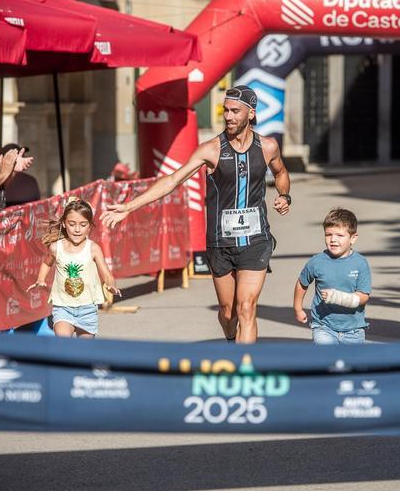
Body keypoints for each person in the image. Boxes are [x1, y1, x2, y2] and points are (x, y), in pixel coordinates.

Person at [101, 85, 291, 344]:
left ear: (251, 113)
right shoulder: (211, 150)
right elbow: (172, 180)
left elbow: (280, 173)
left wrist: (284, 195)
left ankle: (243, 371)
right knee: (228, 313)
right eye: (226, 110)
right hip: (220, 243)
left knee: (246, 308)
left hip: (256, 240)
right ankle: (230, 338)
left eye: (236, 111)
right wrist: (129, 206)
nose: (229, 116)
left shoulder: (267, 146)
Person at [27, 197, 119, 338]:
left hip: (88, 308)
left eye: (83, 225)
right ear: (64, 224)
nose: (77, 229)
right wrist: (41, 279)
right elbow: (47, 262)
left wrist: (111, 285)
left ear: (89, 226)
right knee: (63, 344)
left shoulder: (93, 249)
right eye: (72, 224)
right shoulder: (56, 247)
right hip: (63, 307)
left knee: (84, 352)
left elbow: (106, 273)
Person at [293, 208, 371, 345]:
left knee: (351, 365)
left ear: (353, 238)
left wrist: (338, 297)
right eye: (328, 235)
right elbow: (301, 283)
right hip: (323, 326)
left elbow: (363, 297)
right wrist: (298, 308)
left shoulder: (360, 263)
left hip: (354, 330)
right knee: (326, 361)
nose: (333, 240)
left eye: (340, 235)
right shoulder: (317, 261)